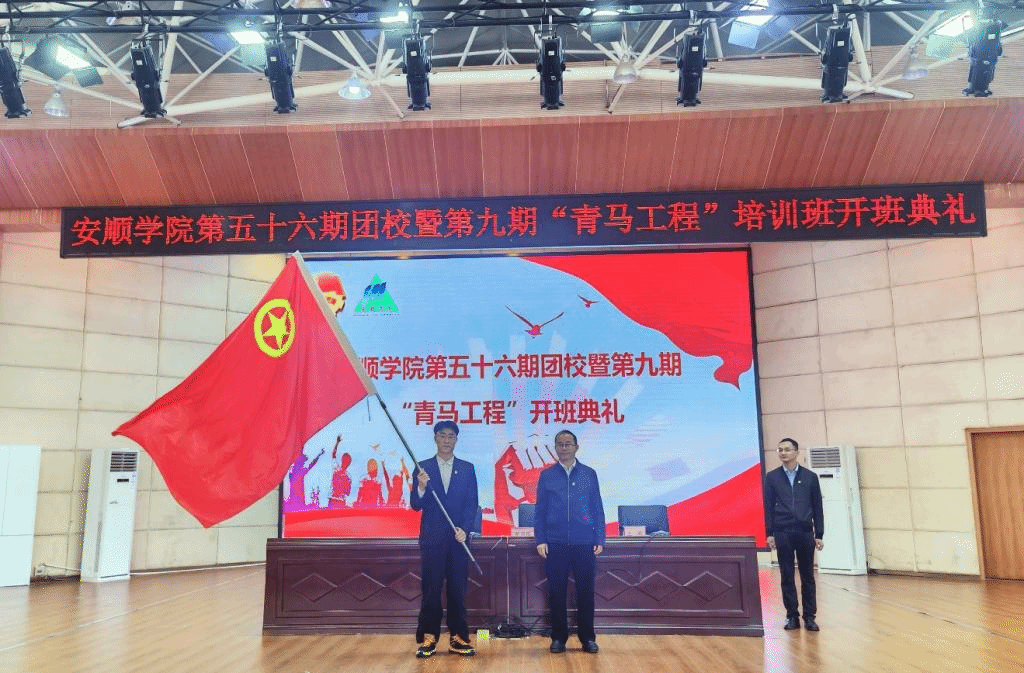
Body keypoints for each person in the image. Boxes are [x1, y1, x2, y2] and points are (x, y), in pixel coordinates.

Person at [411, 420, 479, 658]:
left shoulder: (467, 468)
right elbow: (415, 504)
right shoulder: (423, 468)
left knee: (457, 589)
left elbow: (472, 504)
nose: (446, 440)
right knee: (431, 588)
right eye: (442, 435)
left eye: (451, 436)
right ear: (435, 438)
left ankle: (458, 637)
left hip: (458, 539)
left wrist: (465, 529)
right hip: (432, 539)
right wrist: (421, 487)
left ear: (456, 440)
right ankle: (428, 637)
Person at [534, 429, 605, 654]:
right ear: (555, 448)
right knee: (556, 593)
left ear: (576, 447)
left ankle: (588, 638)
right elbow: (540, 511)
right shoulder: (547, 475)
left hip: (584, 542)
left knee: (585, 593)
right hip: (555, 543)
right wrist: (541, 539)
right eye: (560, 444)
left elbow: (597, 508)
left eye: (568, 444)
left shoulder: (589, 474)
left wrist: (599, 537)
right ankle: (558, 638)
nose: (564, 448)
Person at [764, 437, 825, 632]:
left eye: (787, 449)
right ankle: (792, 616)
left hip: (805, 532)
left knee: (808, 576)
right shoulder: (772, 477)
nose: (783, 453)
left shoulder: (810, 477)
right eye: (780, 450)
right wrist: (770, 533)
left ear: (796, 452)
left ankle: (810, 617)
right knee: (787, 575)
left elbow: (817, 507)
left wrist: (819, 533)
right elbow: (768, 507)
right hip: (783, 532)